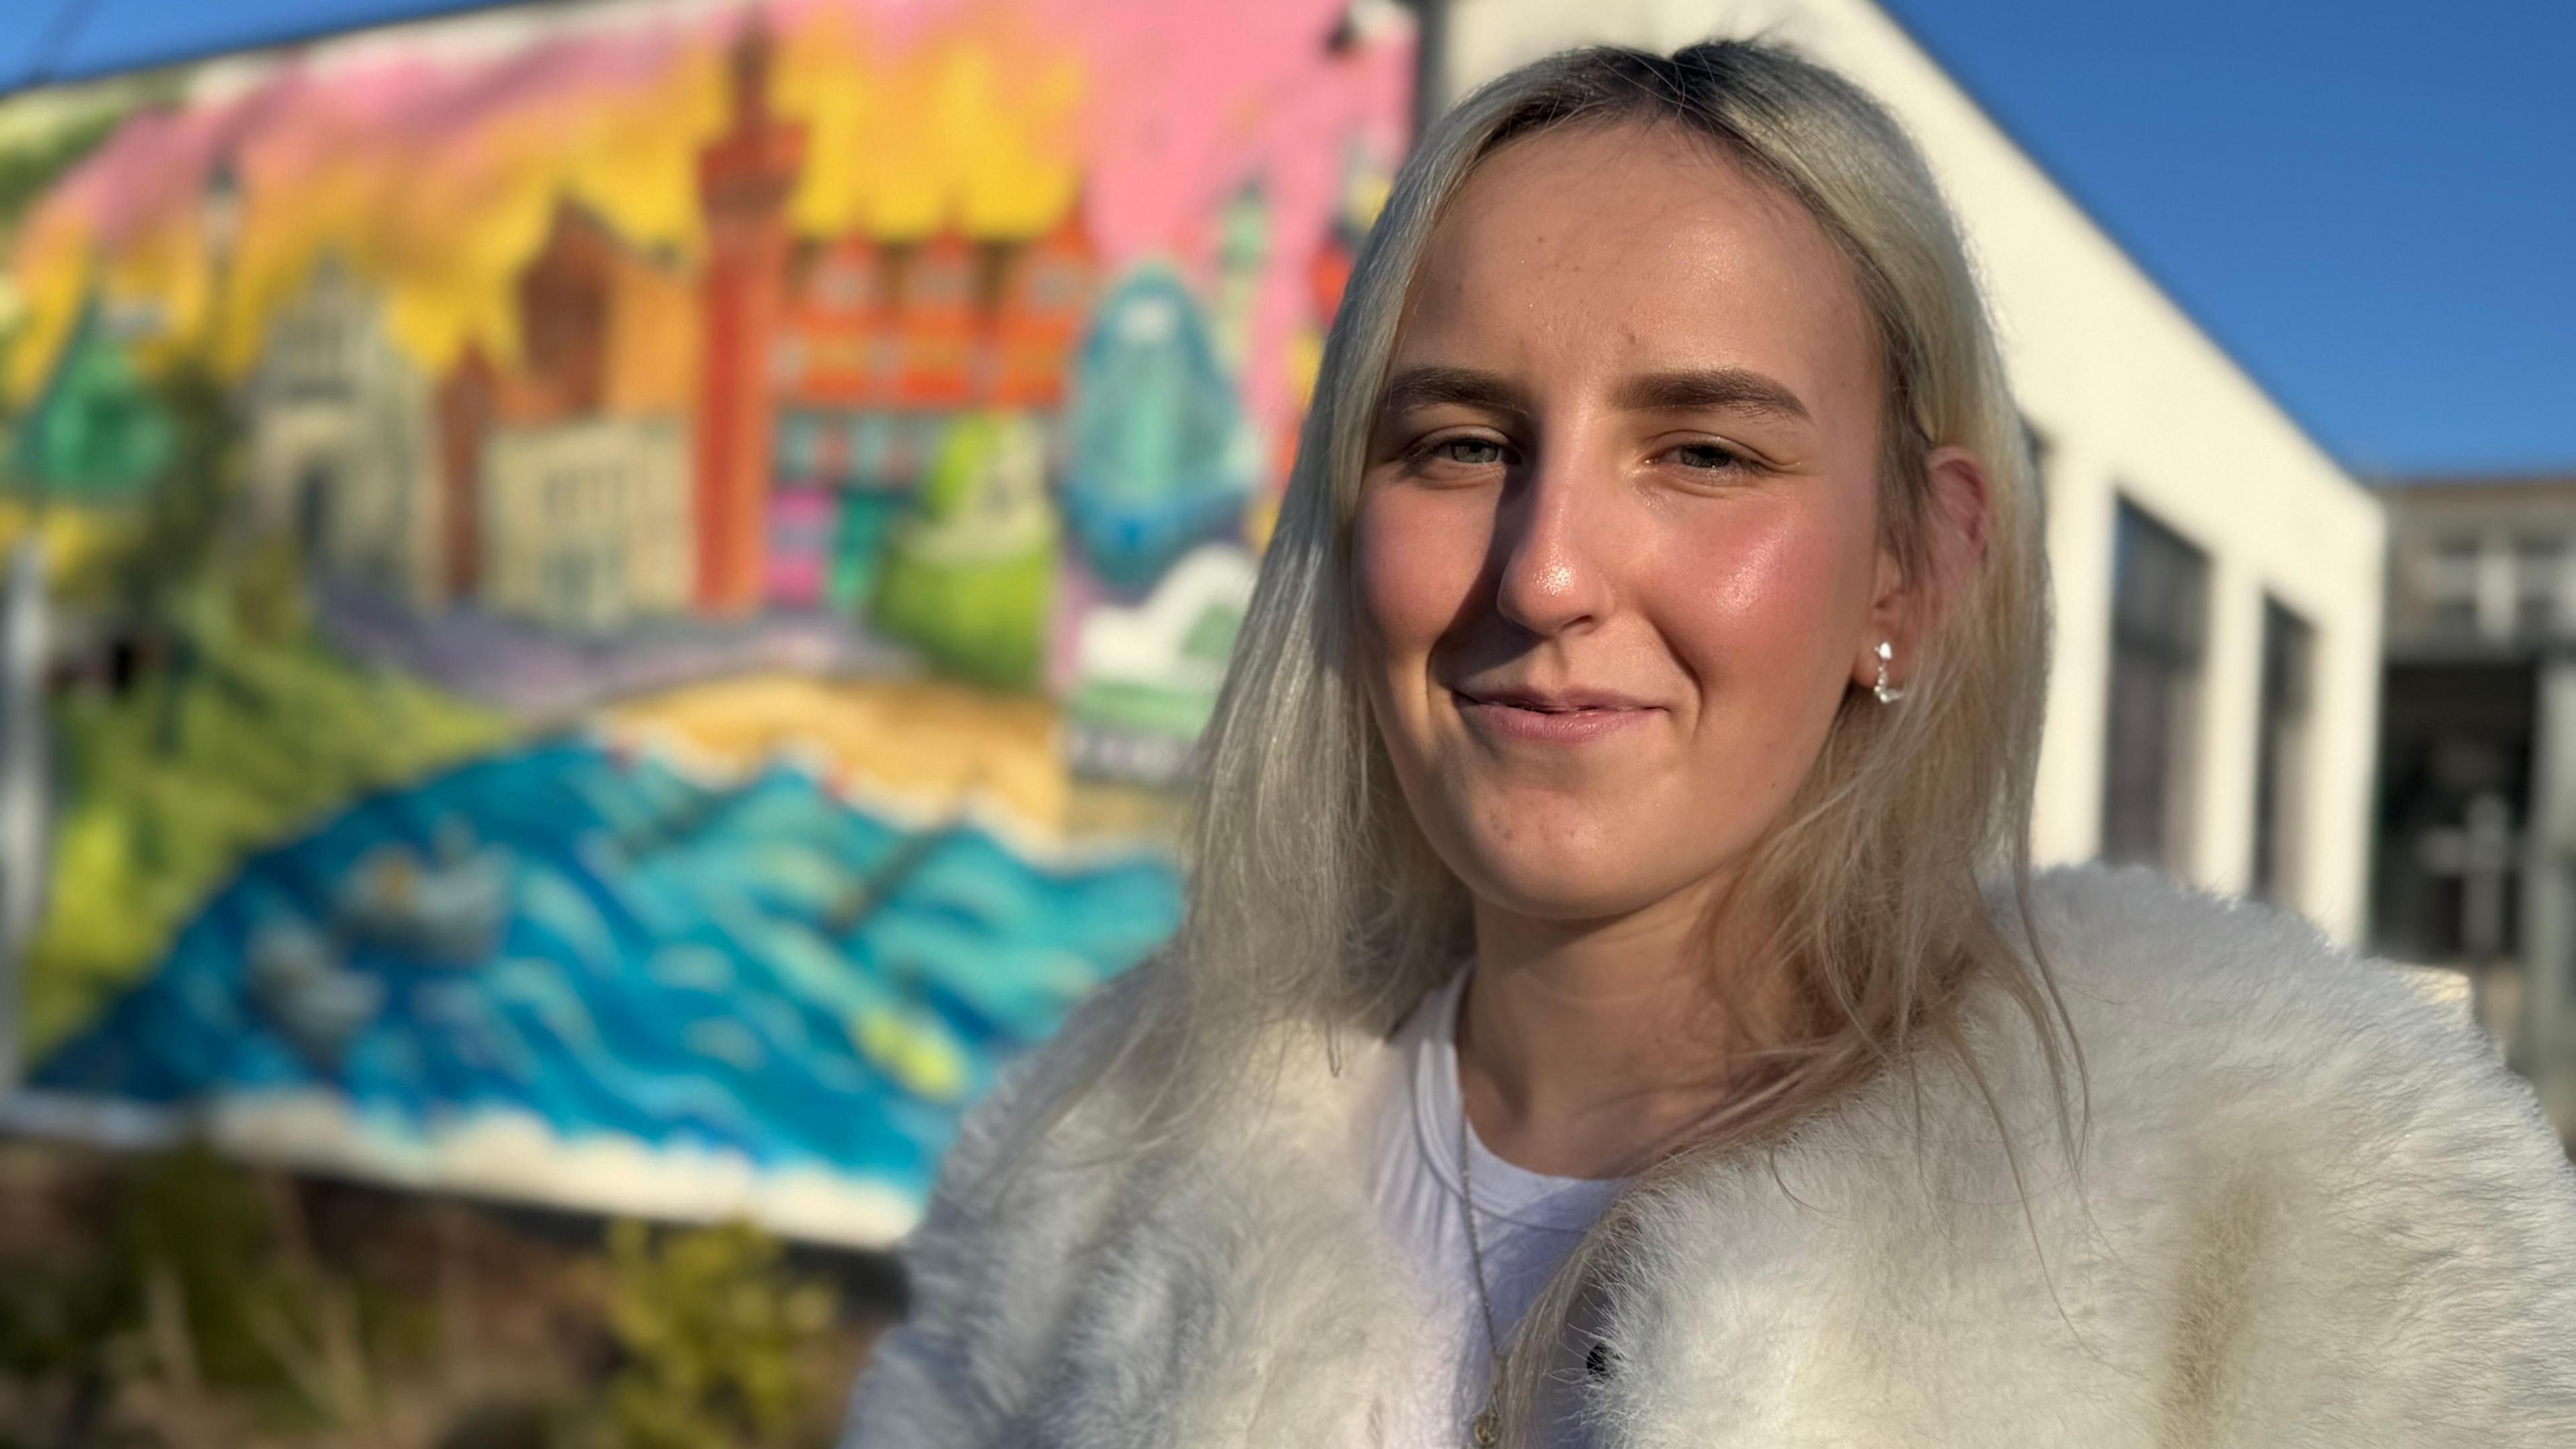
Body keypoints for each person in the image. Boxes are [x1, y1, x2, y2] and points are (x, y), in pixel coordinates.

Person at [844, 41, 2576, 1448]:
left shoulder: (2290, 1230)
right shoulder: (1103, 1172)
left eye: (1705, 456)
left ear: (1917, 563)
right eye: (1458, 443)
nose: (1548, 568)